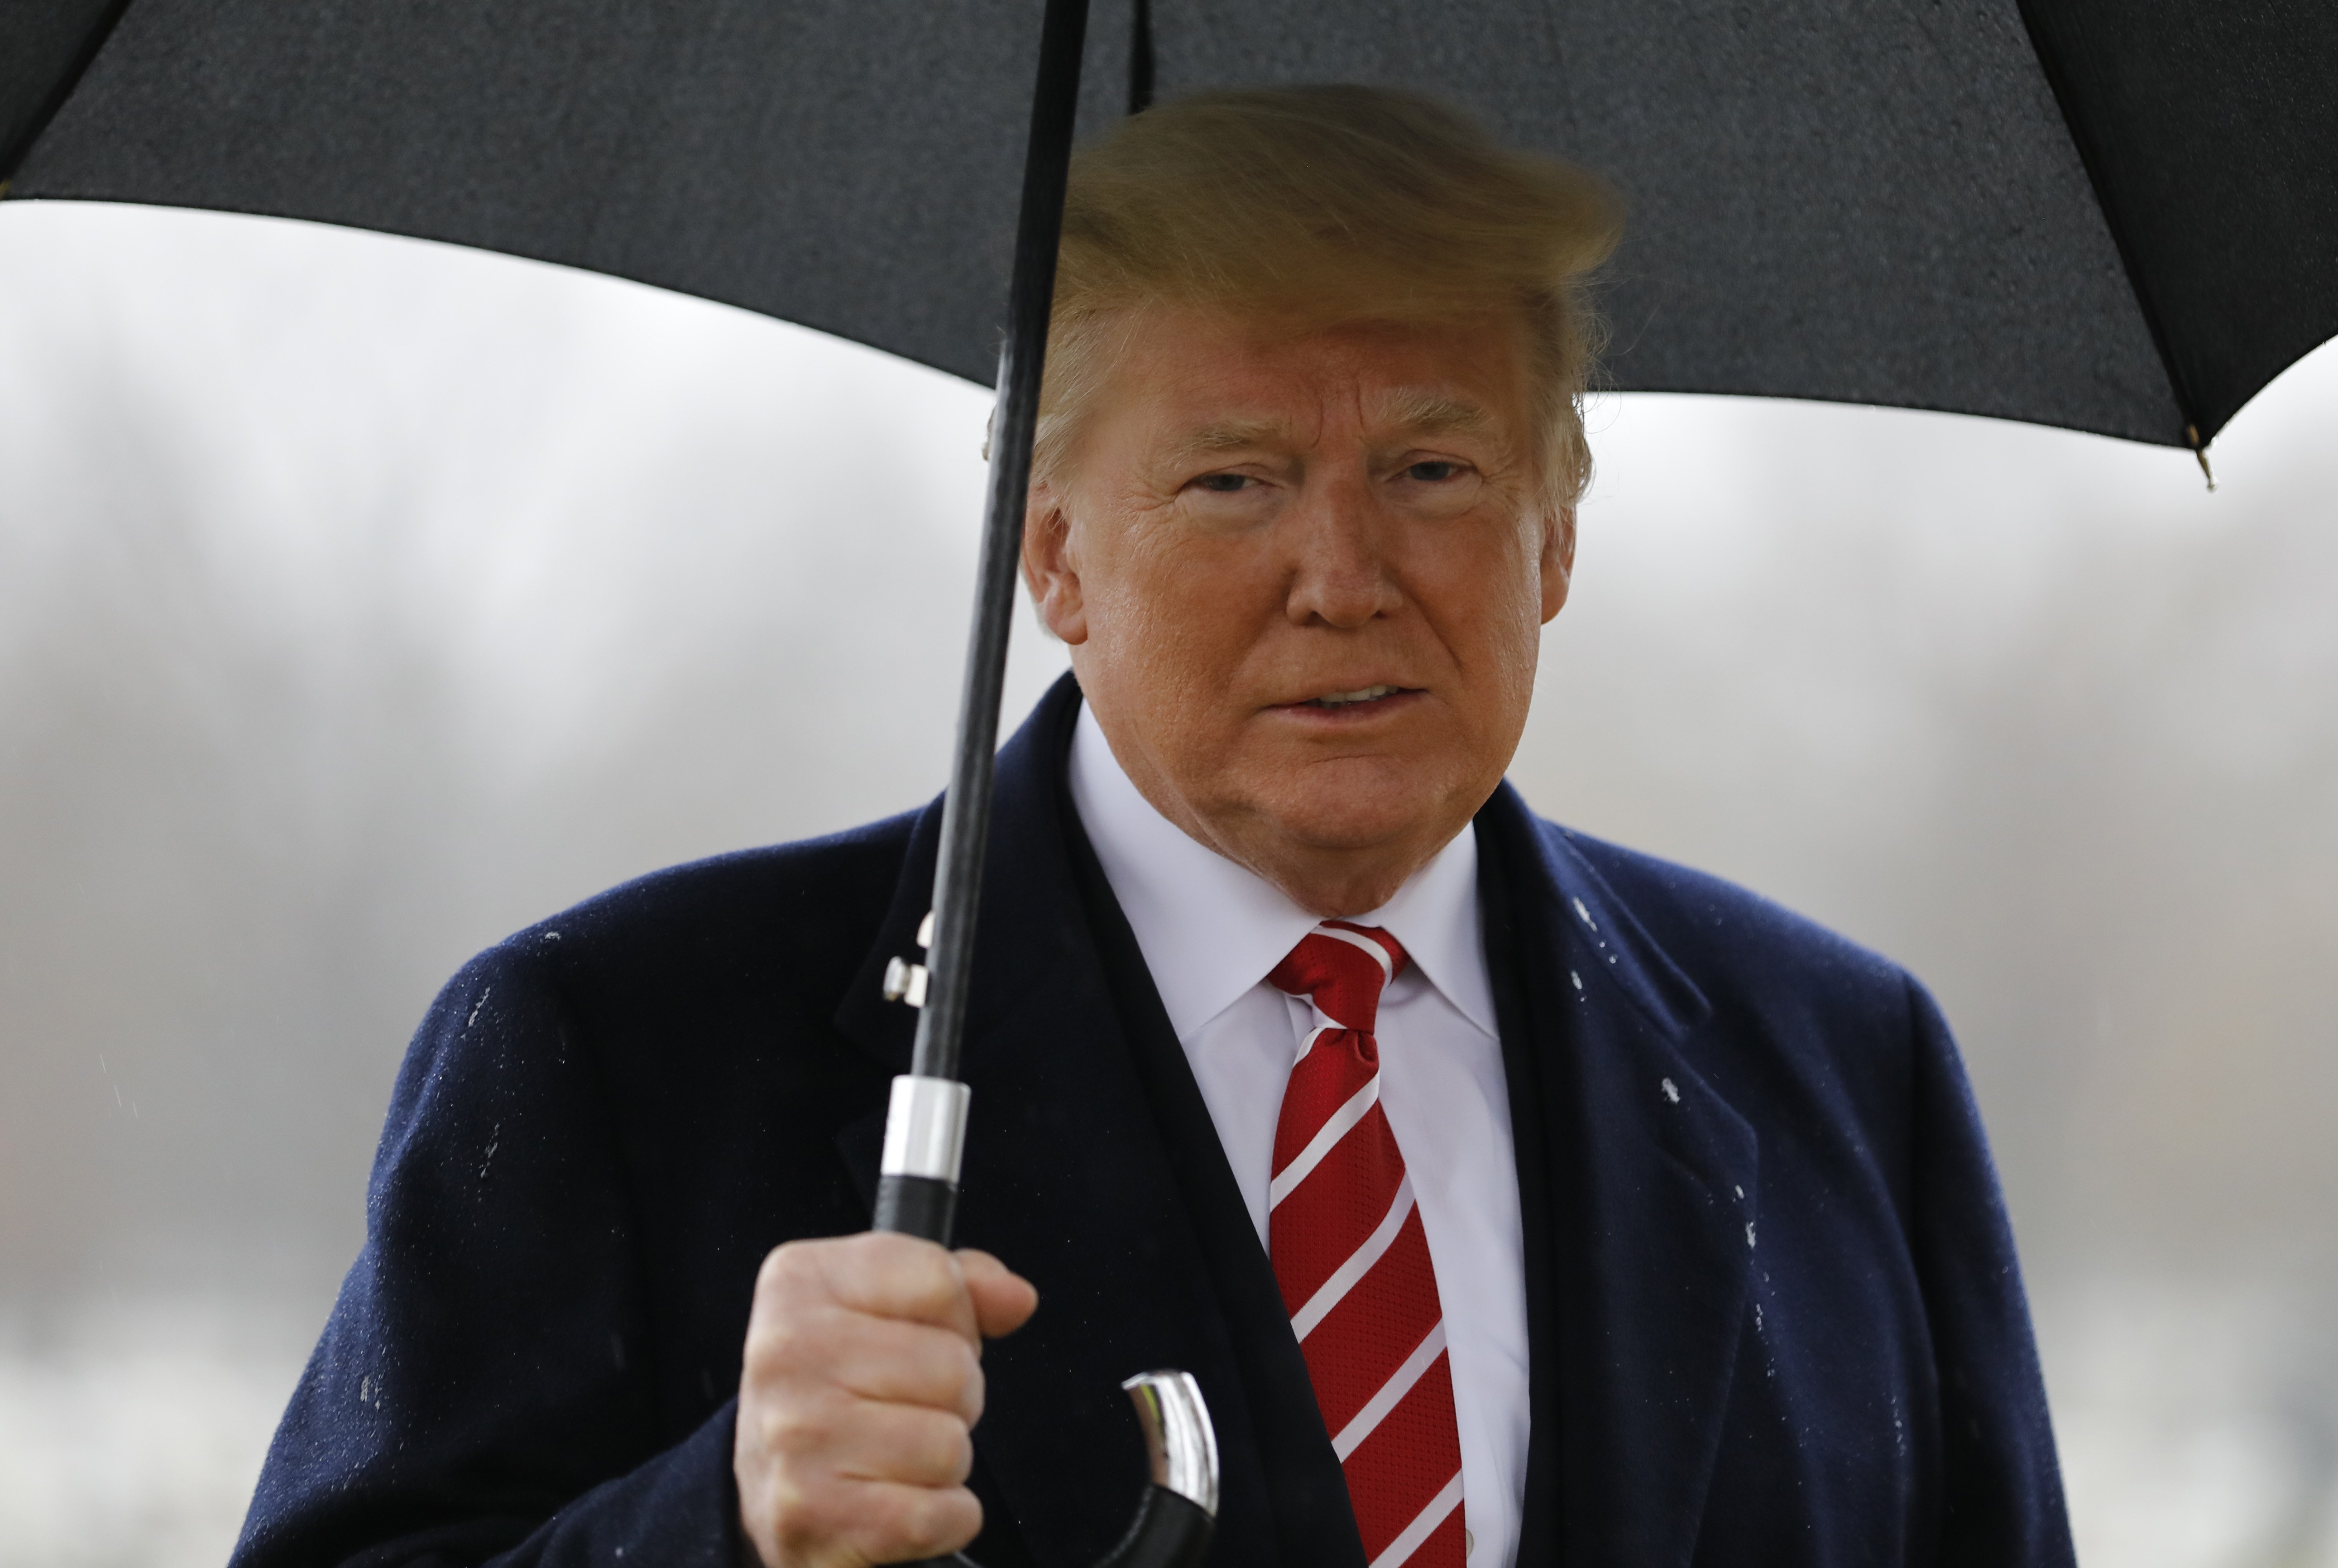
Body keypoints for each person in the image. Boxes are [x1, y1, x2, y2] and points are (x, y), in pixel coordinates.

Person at [233, 86, 2074, 1568]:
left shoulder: (1845, 1064)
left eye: (1434, 469)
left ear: (1559, 534)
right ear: (1054, 553)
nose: (1343, 577)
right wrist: (709, 1521)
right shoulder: (627, 1051)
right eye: (1231, 481)